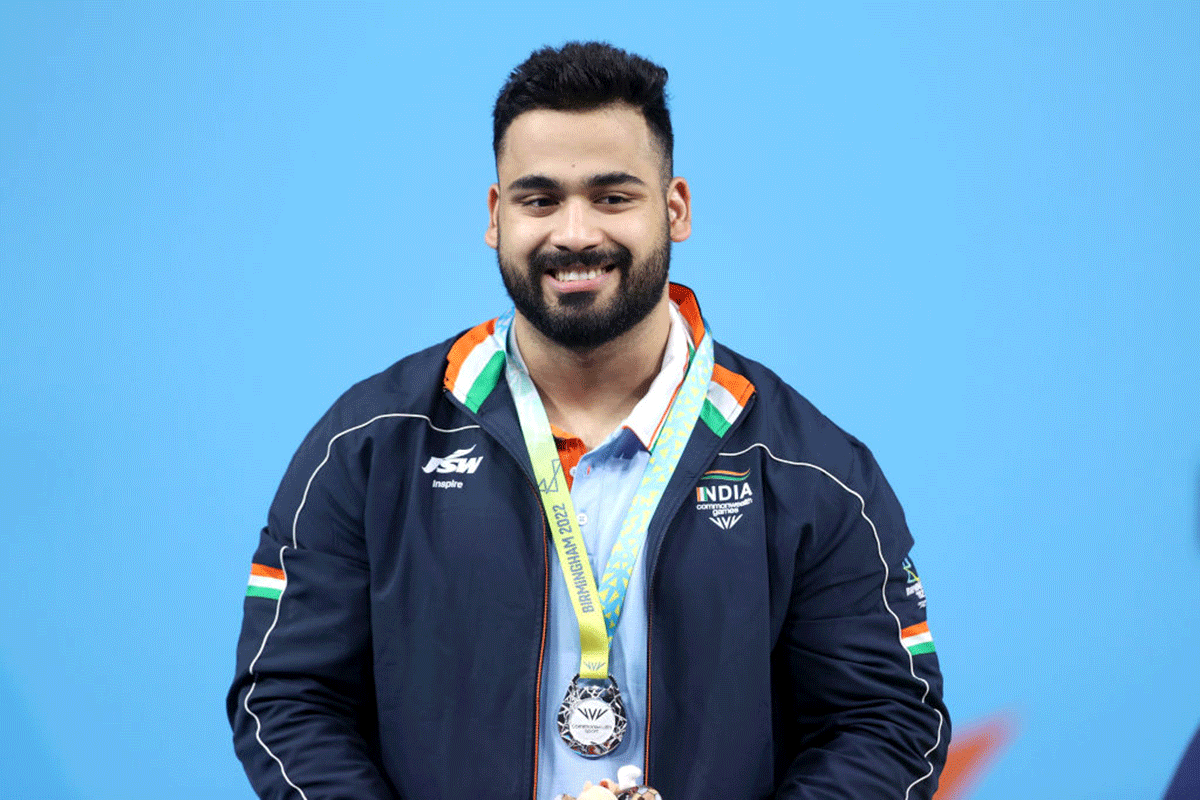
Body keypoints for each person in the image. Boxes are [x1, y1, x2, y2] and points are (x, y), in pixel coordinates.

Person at [228, 41, 950, 800]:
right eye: (540, 199)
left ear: (675, 209)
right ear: (495, 215)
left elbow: (887, 722)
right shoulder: (370, 446)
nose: (574, 233)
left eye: (612, 197)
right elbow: (286, 700)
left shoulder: (812, 472)